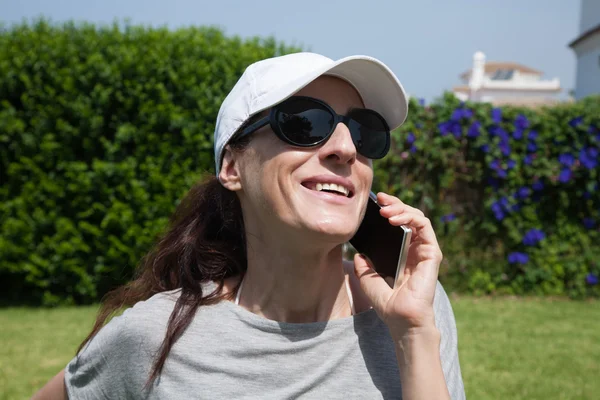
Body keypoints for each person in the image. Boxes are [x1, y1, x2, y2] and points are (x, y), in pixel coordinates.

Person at [34, 52, 465, 399]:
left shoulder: (415, 306)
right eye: (305, 123)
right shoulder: (154, 337)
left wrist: (413, 334)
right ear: (232, 167)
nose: (345, 148)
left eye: (364, 131)